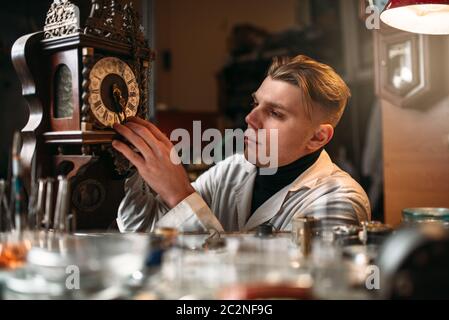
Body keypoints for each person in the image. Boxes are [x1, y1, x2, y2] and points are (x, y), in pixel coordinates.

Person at [113, 55, 371, 233]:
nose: (250, 119)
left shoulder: (340, 199)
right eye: (255, 103)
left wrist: (179, 194)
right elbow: (144, 229)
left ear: (318, 137)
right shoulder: (232, 171)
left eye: (275, 113)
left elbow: (274, 292)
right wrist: (129, 162)